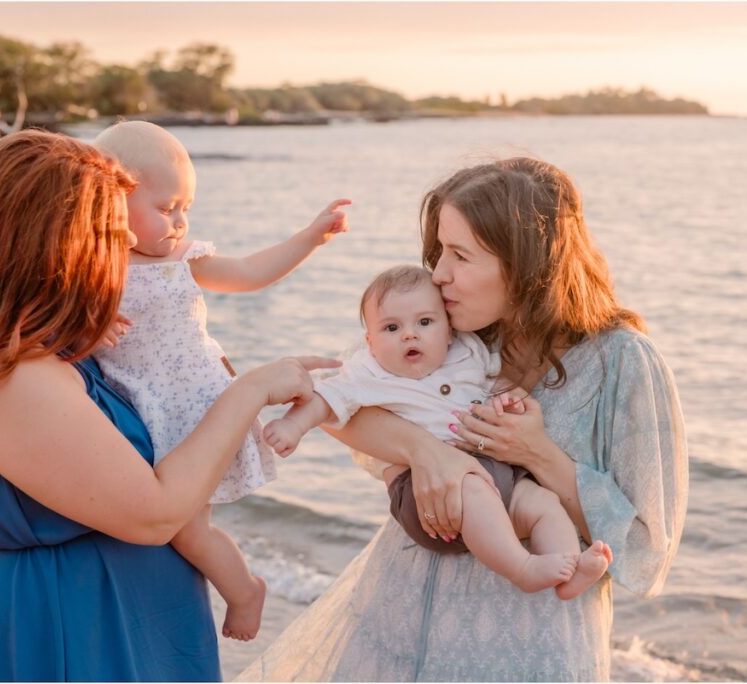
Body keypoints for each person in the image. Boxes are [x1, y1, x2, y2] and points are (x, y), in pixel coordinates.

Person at [0, 129, 338, 681]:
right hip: (74, 633)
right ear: (53, 243)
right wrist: (249, 391)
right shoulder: (13, 378)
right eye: (106, 232)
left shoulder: (44, 345)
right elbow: (154, 513)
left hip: (119, 619)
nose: (121, 247)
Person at [240, 157, 688, 681]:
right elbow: (340, 405)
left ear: (526, 264)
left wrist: (536, 453)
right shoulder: (447, 330)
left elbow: (643, 547)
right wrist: (426, 451)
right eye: (439, 251)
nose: (438, 274)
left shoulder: (623, 362)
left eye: (460, 255)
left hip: (526, 653)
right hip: (396, 626)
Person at [91, 120, 350, 642]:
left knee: (187, 529)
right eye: (167, 209)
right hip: (141, 413)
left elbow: (250, 272)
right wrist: (90, 327)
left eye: (187, 208)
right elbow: (63, 330)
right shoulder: (96, 265)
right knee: (146, 520)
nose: (181, 222)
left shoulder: (184, 261)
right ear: (112, 203)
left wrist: (308, 239)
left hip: (197, 411)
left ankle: (244, 591)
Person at [263, 264, 611, 599]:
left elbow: (498, 385)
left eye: (425, 322)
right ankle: (522, 569)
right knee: (473, 490)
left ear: (448, 330)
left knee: (543, 503)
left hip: (495, 473)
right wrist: (293, 425)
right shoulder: (368, 373)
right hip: (423, 489)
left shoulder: (467, 353)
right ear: (369, 342)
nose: (409, 334)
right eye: (391, 328)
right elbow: (326, 399)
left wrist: (508, 403)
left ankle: (571, 568)